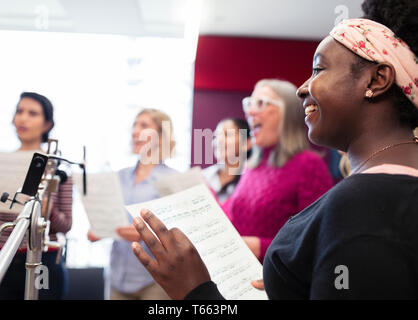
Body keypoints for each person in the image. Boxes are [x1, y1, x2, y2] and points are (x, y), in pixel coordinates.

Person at [129, 0, 418, 299]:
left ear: (377, 79)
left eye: (319, 69)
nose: (303, 87)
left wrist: (195, 292)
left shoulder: (362, 207)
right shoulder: (377, 196)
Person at [0, 92, 73, 300]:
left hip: (43, 260)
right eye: (19, 111)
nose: (23, 118)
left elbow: (65, 225)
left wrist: (46, 208)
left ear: (47, 124)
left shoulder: (59, 168)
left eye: (32, 113)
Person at [219, 79, 333, 262]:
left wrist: (261, 247)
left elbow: (318, 239)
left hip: (277, 281)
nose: (250, 111)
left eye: (261, 103)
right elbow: (234, 215)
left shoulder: (308, 164)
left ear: (287, 113)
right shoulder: (252, 165)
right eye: (249, 103)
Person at [89, 108, 177, 300]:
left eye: (144, 126)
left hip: (155, 280)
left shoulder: (173, 180)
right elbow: (101, 222)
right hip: (116, 278)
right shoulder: (118, 177)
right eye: (134, 125)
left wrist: (145, 234)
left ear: (161, 136)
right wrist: (98, 229)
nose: (135, 131)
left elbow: (177, 233)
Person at [202, 118, 252, 203]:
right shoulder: (203, 177)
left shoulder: (251, 181)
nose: (219, 140)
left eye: (227, 134)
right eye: (216, 136)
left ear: (246, 143)